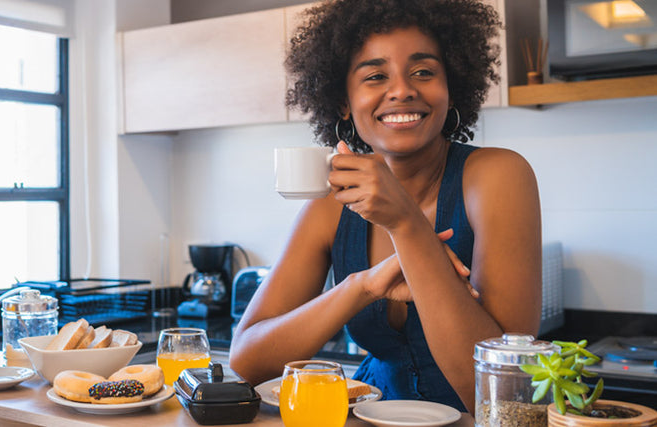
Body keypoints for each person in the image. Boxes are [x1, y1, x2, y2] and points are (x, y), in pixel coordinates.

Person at [229, 0, 542, 412]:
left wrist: (405, 223)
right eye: (376, 75)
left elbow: (504, 400)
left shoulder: (498, 175)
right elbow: (247, 362)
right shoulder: (331, 205)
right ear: (344, 100)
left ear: (452, 85)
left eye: (424, 72)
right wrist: (362, 286)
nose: (402, 90)